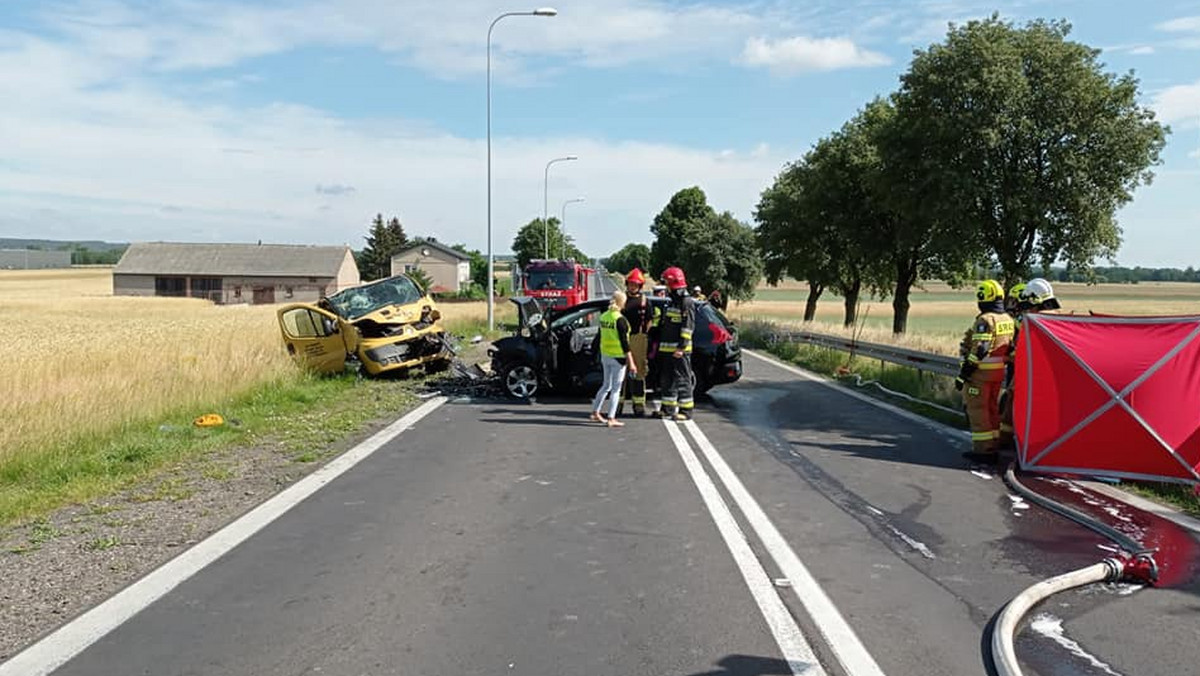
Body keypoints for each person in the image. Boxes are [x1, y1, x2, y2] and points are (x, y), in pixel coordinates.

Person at [956, 279, 1015, 464]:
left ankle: (983, 450)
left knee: (978, 410)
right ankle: (994, 444)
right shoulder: (1007, 319)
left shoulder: (985, 320)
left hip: (979, 376)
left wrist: (964, 374)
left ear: (983, 297)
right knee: (992, 410)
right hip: (998, 375)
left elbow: (980, 349)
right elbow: (1010, 348)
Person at [651, 267, 697, 421]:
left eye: (667, 283)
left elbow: (687, 327)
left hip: (679, 350)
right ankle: (668, 408)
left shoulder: (686, 302)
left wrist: (681, 347)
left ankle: (686, 411)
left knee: (682, 380)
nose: (666, 287)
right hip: (667, 349)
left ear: (673, 283)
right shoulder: (673, 301)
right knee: (667, 380)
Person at [590, 291, 636, 427]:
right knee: (616, 389)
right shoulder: (620, 320)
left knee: (605, 385)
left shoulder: (604, 317)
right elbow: (625, 343)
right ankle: (611, 418)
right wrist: (631, 362)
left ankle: (595, 412)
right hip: (618, 357)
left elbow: (599, 336)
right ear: (622, 302)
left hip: (606, 355)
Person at [619, 268, 657, 417]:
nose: (632, 287)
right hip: (621, 338)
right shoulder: (621, 299)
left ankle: (639, 404)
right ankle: (618, 404)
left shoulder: (644, 301)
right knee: (620, 373)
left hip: (638, 338)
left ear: (640, 286)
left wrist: (644, 336)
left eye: (635, 284)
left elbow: (649, 320)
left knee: (639, 372)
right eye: (630, 284)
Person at [997, 281, 1027, 449]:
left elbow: (1017, 346)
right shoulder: (1019, 319)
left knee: (1010, 402)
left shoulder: (1020, 321)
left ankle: (1007, 441)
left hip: (1018, 367)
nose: (1011, 305)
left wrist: (1007, 356)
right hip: (1015, 366)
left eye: (1014, 301)